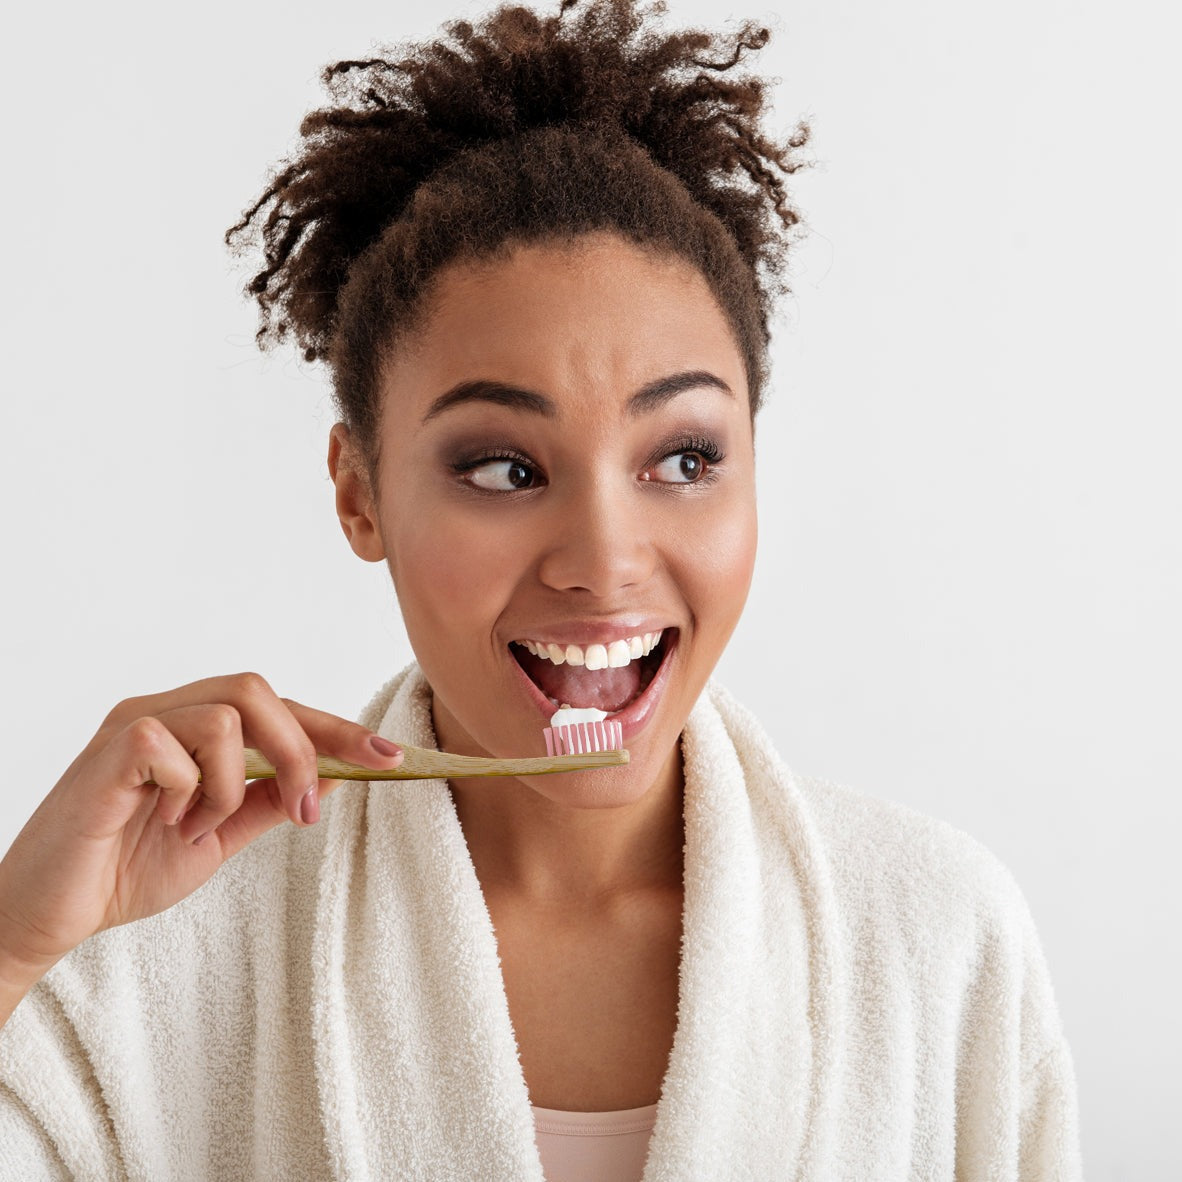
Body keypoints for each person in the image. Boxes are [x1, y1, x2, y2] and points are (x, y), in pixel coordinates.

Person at [0, 0, 1082, 1177]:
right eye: (505, 469)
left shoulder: (938, 940)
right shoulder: (136, 960)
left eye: (684, 459)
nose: (605, 557)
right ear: (359, 494)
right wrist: (9, 951)